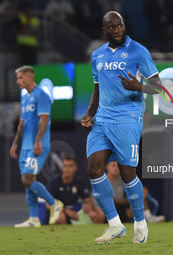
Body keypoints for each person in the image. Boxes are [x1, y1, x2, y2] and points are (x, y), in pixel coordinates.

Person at [81, 11, 163, 244]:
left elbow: (159, 88)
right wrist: (89, 114)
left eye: (119, 26)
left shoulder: (139, 51)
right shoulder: (97, 55)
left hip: (128, 119)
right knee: (94, 169)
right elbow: (97, 90)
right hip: (103, 120)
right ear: (104, 30)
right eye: (111, 27)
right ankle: (115, 225)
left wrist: (140, 86)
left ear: (124, 26)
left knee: (128, 174)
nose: (116, 30)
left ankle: (140, 225)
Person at [10, 65, 63, 228]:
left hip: (37, 146)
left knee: (27, 180)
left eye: (20, 78)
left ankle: (54, 203)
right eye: (17, 78)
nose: (17, 81)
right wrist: (15, 143)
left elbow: (44, 120)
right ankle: (34, 219)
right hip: (25, 146)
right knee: (28, 182)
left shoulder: (42, 95)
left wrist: (38, 141)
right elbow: (22, 123)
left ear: (30, 77)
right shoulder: (24, 97)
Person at [46, 155, 105, 224]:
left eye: (70, 166)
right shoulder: (54, 182)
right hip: (59, 212)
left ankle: (93, 234)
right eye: (65, 166)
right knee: (60, 217)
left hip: (75, 214)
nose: (67, 169)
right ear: (62, 168)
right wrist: (66, 211)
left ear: (75, 168)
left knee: (98, 214)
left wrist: (88, 206)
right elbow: (47, 205)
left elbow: (88, 200)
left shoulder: (78, 182)